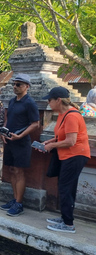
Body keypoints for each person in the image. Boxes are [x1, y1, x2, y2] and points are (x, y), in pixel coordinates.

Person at [41, 86, 90, 233]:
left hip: (75, 155)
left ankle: (68, 224)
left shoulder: (72, 116)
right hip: (68, 155)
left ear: (58, 100)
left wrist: (52, 145)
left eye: (50, 100)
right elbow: (61, 136)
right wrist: (49, 142)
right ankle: (65, 217)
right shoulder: (63, 114)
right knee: (66, 187)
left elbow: (71, 141)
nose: (48, 103)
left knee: (65, 188)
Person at [0, 73, 39, 216]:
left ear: (27, 87)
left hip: (21, 141)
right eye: (14, 84)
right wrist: (4, 133)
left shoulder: (29, 103)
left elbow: (35, 123)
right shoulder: (12, 101)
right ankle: (15, 198)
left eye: (18, 85)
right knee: (11, 170)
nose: (15, 87)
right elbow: (7, 119)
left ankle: (19, 203)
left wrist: (21, 135)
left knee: (19, 171)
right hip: (9, 140)